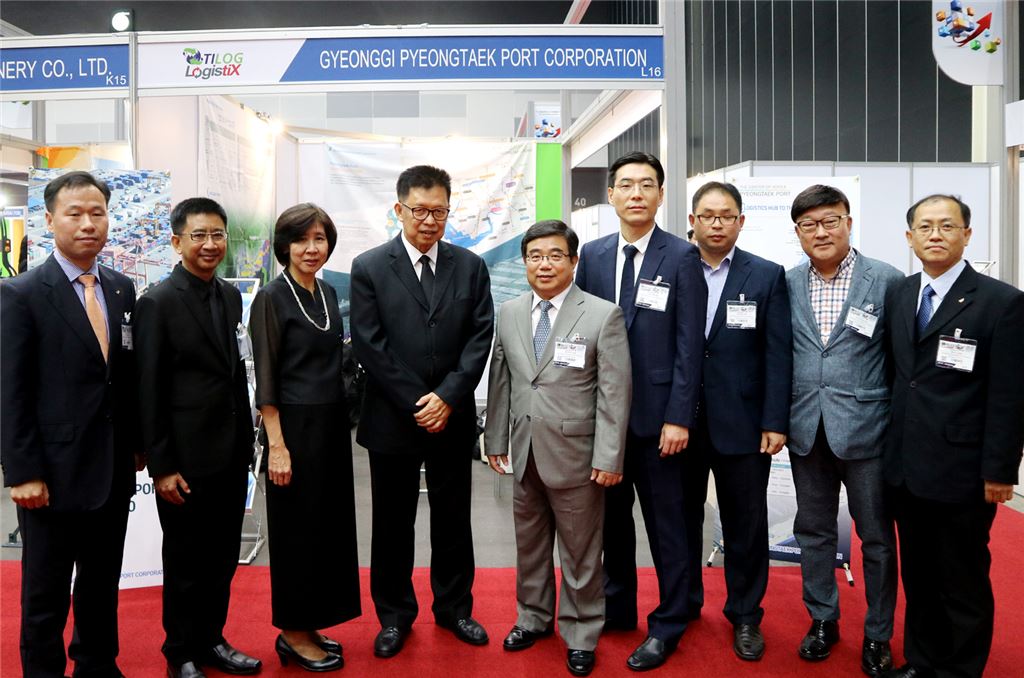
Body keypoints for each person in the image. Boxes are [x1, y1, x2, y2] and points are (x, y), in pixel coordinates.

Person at [350, 165, 494, 658]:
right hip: (393, 417)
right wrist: (420, 401)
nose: (430, 221)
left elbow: (480, 337)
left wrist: (447, 397)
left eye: (440, 211)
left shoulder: (470, 266)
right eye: (420, 210)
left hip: (451, 417)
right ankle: (394, 616)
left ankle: (455, 609)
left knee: (454, 520)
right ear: (399, 209)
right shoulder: (370, 266)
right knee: (392, 523)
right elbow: (369, 344)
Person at [1, 170, 140, 678]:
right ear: (49, 219)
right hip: (51, 475)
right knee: (46, 593)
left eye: (97, 213)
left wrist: (137, 446)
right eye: (74, 213)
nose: (87, 224)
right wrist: (22, 472)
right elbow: (10, 392)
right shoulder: (20, 294)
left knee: (101, 583)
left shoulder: (121, 289)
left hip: (111, 468)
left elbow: (123, 377)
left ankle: (97, 665)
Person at [882, 194, 1024, 678]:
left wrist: (1000, 470)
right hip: (905, 467)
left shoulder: (1001, 302)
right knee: (919, 576)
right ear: (910, 238)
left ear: (967, 234)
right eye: (925, 227)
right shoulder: (902, 294)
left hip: (962, 471)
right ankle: (923, 662)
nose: (935, 235)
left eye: (947, 225)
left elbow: (1009, 396)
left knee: (961, 579)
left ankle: (960, 670)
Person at [574, 151, 705, 671]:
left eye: (646, 184)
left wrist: (679, 416)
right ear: (610, 195)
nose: (636, 193)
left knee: (667, 526)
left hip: (659, 421)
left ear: (660, 194)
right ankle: (618, 606)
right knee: (611, 523)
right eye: (626, 184)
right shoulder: (593, 254)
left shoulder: (682, 256)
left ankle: (670, 620)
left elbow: (690, 344)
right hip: (605, 419)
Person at [485, 220, 631, 677]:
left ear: (573, 261)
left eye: (554, 255)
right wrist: (494, 439)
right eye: (535, 256)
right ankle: (533, 617)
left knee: (580, 553)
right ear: (524, 262)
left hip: (577, 457)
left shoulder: (602, 314)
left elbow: (614, 393)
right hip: (524, 450)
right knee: (529, 546)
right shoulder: (509, 312)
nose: (544, 264)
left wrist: (609, 456)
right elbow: (502, 379)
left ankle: (582, 631)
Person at [134, 198, 261, 678]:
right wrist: (162, 465)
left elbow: (234, 374)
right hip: (184, 461)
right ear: (177, 241)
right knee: (186, 562)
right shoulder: (157, 303)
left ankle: (212, 640)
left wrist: (247, 445)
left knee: (223, 558)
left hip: (230, 454)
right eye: (199, 235)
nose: (210, 244)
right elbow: (149, 389)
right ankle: (180, 652)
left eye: (218, 234)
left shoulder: (229, 296)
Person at [785, 184, 902, 675]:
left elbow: (900, 360)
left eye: (830, 221)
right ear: (797, 232)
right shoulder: (788, 282)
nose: (821, 232)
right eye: (809, 225)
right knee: (812, 532)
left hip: (867, 430)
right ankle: (823, 620)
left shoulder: (887, 280)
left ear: (848, 222)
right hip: (805, 428)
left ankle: (878, 633)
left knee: (876, 538)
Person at [683, 181, 792, 661]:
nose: (717, 224)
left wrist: (775, 419)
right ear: (692, 220)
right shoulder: (673, 267)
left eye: (726, 215)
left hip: (744, 423)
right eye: (707, 215)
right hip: (681, 422)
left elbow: (778, 353)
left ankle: (746, 615)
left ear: (741, 221)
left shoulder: (765, 275)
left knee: (745, 524)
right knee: (681, 519)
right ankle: (684, 602)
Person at [249, 203, 360, 672]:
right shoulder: (271, 298)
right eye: (301, 240)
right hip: (291, 431)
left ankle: (310, 622)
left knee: (325, 530)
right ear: (284, 246)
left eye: (319, 238)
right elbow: (267, 380)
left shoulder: (328, 292)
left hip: (330, 428)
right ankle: (292, 632)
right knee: (296, 533)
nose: (311, 248)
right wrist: (277, 446)